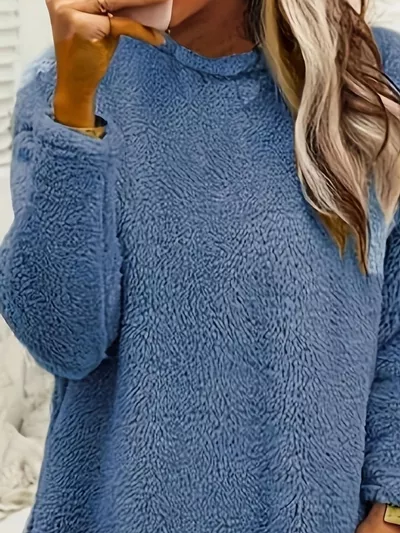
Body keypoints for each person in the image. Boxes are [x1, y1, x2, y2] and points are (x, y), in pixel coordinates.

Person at [1, 0, 400, 531]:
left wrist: (391, 509)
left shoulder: (373, 77)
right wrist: (75, 109)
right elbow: (63, 341)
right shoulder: (66, 85)